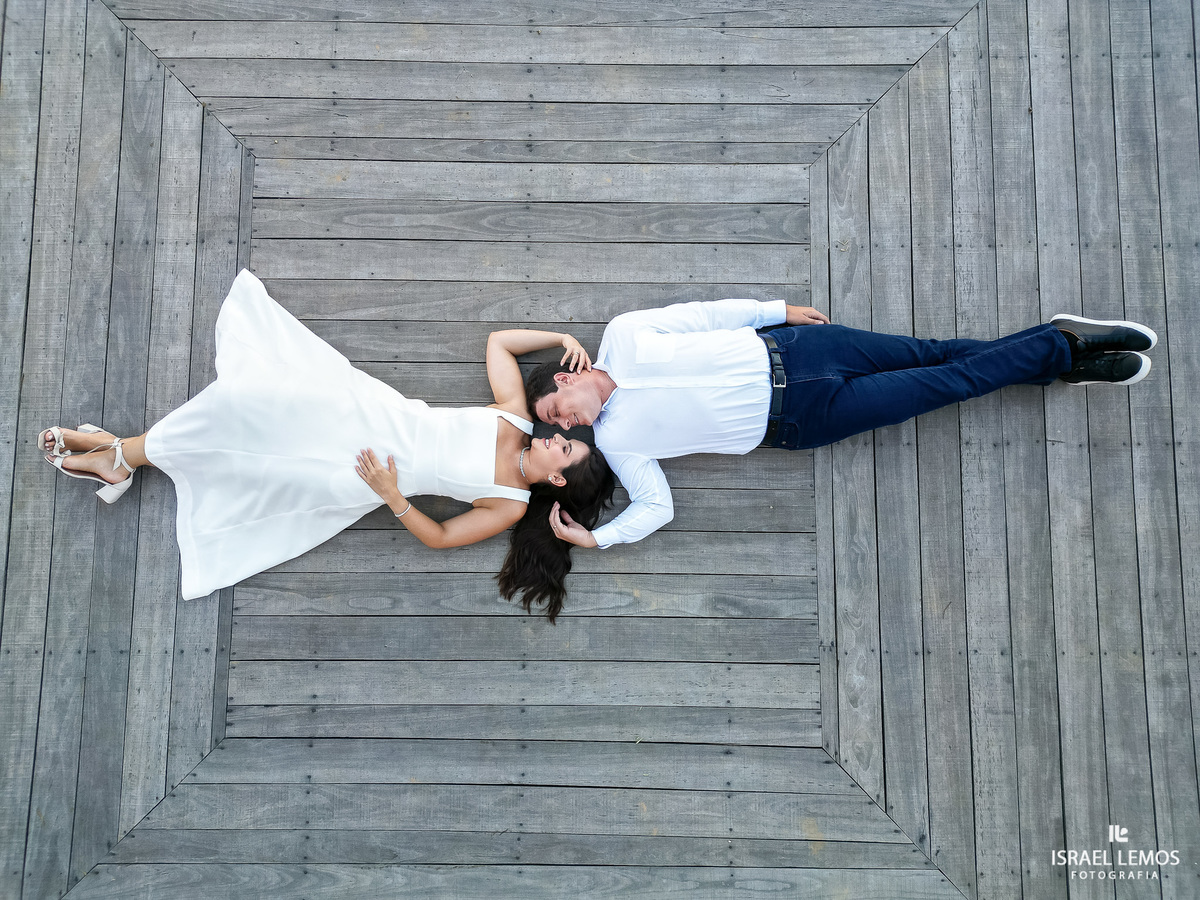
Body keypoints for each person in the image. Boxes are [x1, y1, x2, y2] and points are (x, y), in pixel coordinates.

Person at [40, 270, 614, 622]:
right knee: (247, 399)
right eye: (567, 435)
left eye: (565, 450)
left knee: (254, 468)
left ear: (557, 479)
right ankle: (120, 456)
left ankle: (118, 457)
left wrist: (391, 495)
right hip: (367, 412)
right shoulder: (513, 417)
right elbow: (500, 343)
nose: (559, 436)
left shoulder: (510, 502)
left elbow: (440, 537)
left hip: (367, 471)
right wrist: (561, 337)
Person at [518, 298, 1157, 550]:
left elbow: (710, 316)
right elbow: (656, 506)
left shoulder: (626, 334)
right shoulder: (618, 440)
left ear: (567, 377)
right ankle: (1060, 342)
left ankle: (1058, 365)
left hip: (801, 351)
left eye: (556, 411)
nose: (568, 426)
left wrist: (779, 309)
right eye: (560, 428)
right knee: (948, 383)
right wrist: (602, 539)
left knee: (936, 353)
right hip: (802, 418)